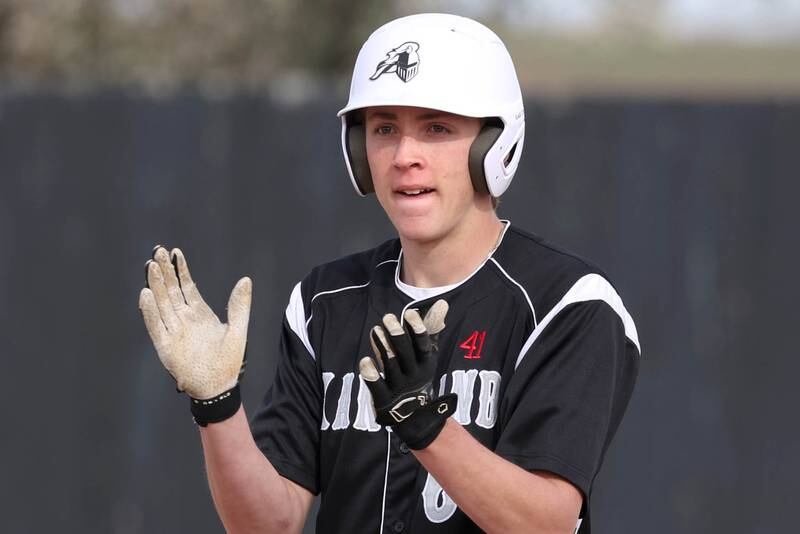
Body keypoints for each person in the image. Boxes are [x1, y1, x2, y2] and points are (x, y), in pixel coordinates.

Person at [139, 13, 640, 534]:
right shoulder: (324, 301)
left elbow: (547, 524)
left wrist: (425, 425)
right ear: (358, 151)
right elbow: (269, 525)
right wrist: (217, 406)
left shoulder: (567, 302)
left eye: (437, 128)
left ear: (494, 146)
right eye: (383, 129)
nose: (405, 156)